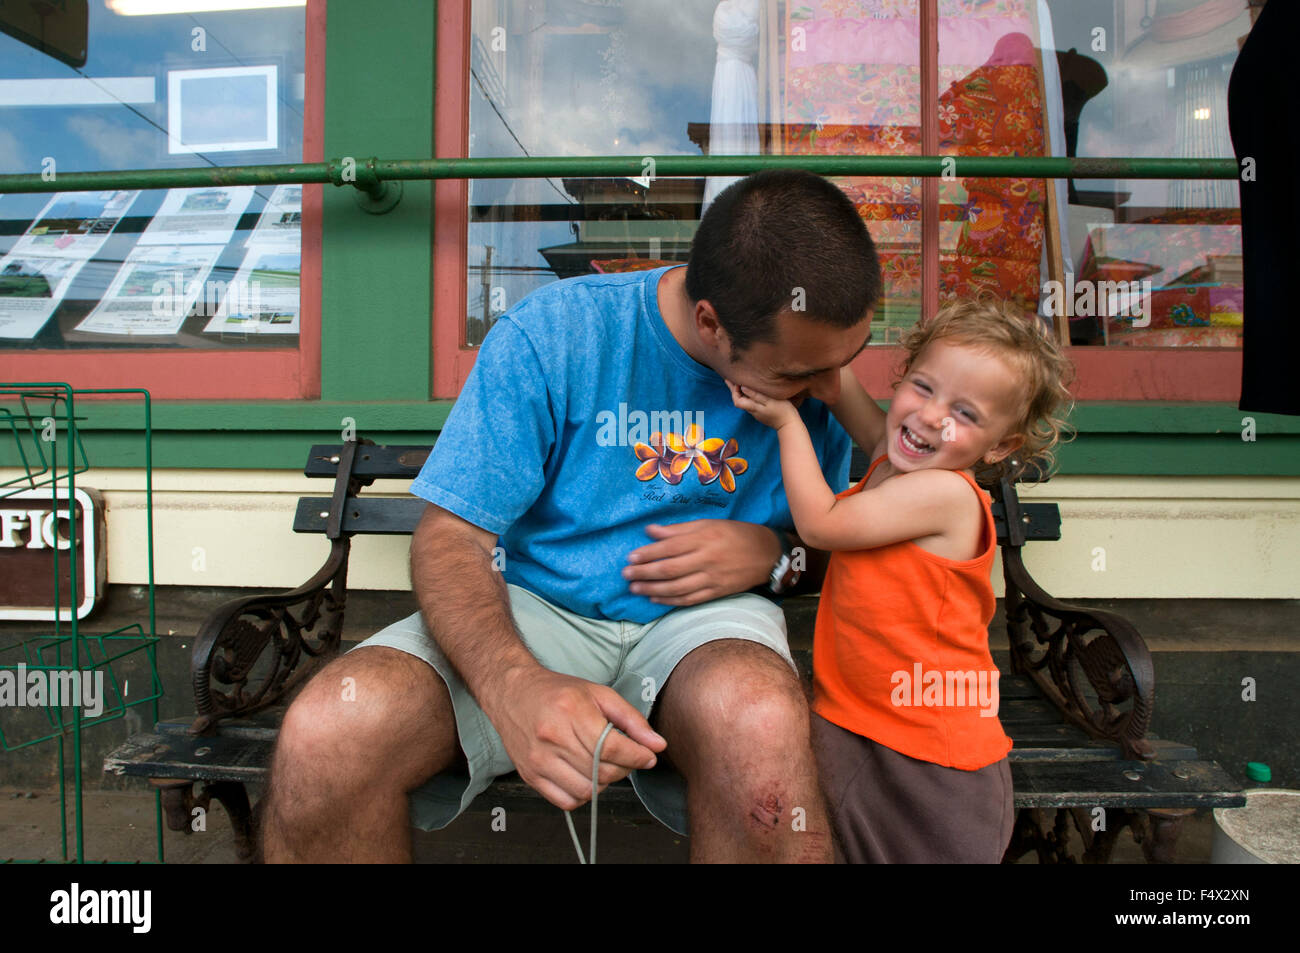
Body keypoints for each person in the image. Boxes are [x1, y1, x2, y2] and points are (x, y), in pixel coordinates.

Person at [260, 169, 882, 863]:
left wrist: (773, 553)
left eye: (847, 364)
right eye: (800, 376)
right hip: (535, 606)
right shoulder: (558, 332)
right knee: (330, 729)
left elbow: (843, 540)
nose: (829, 388)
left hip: (712, 624)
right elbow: (454, 536)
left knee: (762, 728)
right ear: (710, 322)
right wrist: (512, 685)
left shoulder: (818, 358)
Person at [727, 297, 1073, 863]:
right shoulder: (900, 459)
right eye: (923, 387)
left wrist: (787, 424)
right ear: (905, 376)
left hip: (928, 750)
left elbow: (820, 524)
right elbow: (844, 392)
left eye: (966, 414)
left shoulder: (945, 494)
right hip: (866, 718)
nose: (933, 416)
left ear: (1002, 445)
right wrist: (797, 344)